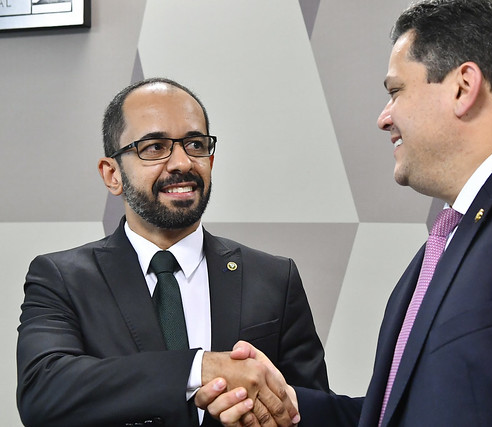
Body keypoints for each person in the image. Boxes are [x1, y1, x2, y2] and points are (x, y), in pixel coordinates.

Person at [202, 0, 492, 425]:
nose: (384, 118)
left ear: (463, 87)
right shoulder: (449, 239)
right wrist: (289, 409)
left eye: (396, 91)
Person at [16, 77, 329, 427]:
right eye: (154, 147)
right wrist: (199, 368)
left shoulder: (274, 277)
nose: (182, 163)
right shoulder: (61, 278)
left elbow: (314, 410)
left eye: (195, 144)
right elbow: (42, 392)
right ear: (112, 174)